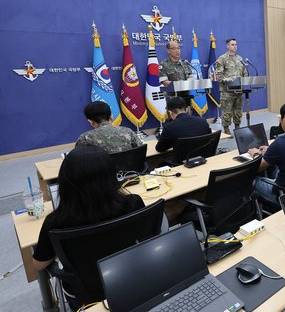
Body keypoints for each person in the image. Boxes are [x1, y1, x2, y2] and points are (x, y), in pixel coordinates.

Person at [32, 146, 145, 309]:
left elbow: (39, 265)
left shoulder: (56, 222)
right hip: (135, 279)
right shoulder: (133, 203)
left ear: (65, 182)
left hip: (88, 297)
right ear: (112, 177)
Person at [155, 97, 212, 161]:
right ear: (187, 109)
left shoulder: (169, 127)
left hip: (182, 165)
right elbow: (210, 139)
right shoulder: (202, 121)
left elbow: (160, 149)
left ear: (170, 113)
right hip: (203, 160)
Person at [76, 101, 142, 154]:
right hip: (131, 170)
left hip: (102, 171)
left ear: (91, 121)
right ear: (111, 117)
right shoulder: (128, 132)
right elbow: (141, 151)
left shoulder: (85, 138)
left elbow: (78, 161)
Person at [215, 38, 248, 135]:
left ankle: (237, 127)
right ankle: (226, 129)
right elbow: (218, 75)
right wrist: (227, 79)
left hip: (238, 89)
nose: (235, 46)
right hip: (227, 91)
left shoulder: (240, 59)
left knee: (238, 110)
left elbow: (244, 73)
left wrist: (245, 80)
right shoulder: (222, 59)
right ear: (228, 46)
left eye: (236, 44)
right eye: (232, 44)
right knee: (227, 111)